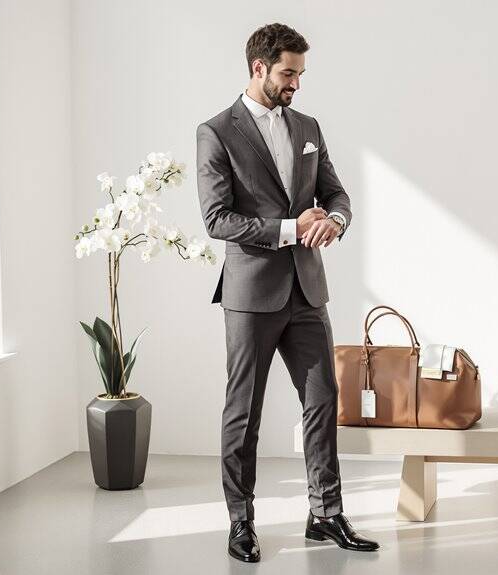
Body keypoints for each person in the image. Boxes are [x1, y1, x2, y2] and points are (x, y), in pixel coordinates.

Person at [196, 22, 379, 563]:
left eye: (300, 73)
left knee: (322, 401)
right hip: (252, 292)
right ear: (259, 68)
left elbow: (336, 192)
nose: (296, 82)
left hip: (307, 290)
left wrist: (336, 221)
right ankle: (241, 521)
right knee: (243, 410)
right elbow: (216, 218)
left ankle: (325, 514)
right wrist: (291, 228)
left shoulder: (307, 125)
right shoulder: (216, 131)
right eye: (288, 73)